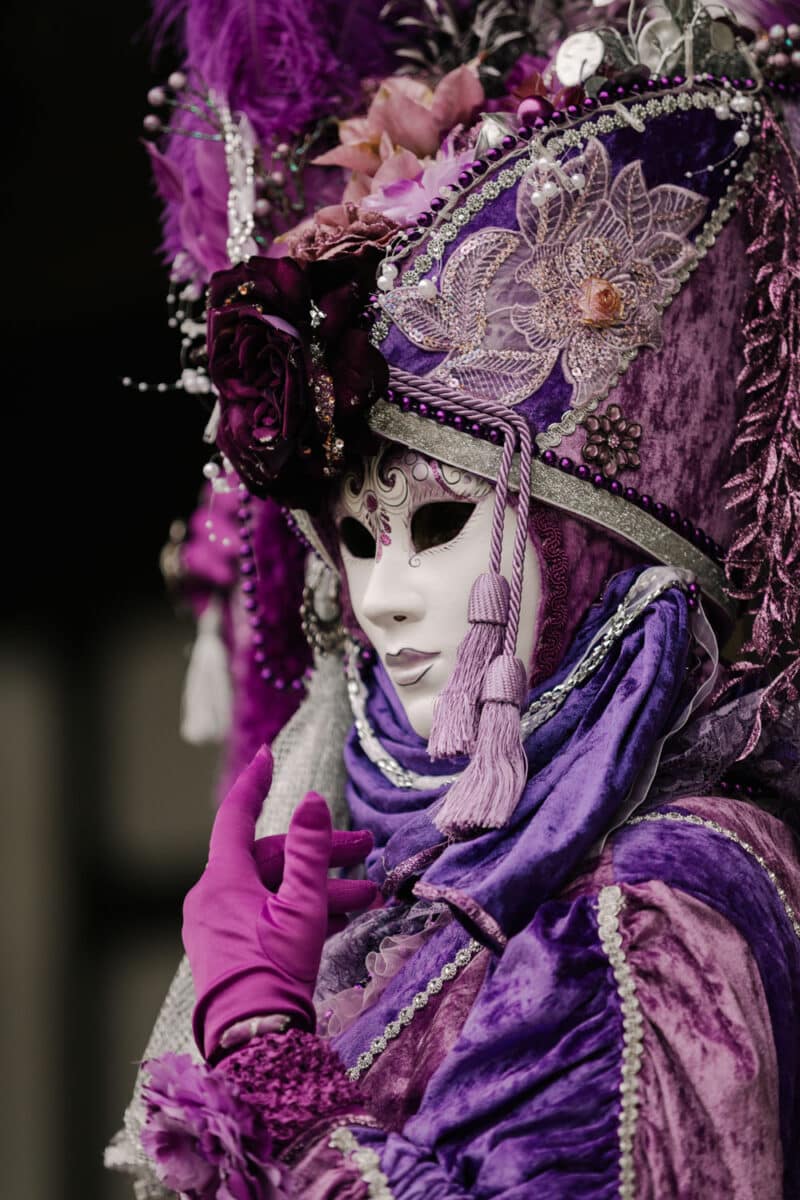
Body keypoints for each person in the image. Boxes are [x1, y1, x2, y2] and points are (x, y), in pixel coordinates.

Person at [106, 0, 800, 1195]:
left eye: (437, 524)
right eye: (357, 547)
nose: (382, 603)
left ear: (580, 544)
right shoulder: (439, 890)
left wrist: (270, 1067)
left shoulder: (650, 912)